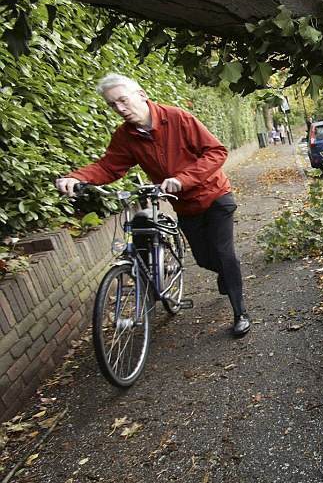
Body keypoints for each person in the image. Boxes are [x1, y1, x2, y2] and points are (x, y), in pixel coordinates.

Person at [55, 74, 251, 337]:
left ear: (142, 94)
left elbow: (216, 151)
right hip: (184, 206)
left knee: (225, 253)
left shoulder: (178, 118)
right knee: (205, 259)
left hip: (214, 196)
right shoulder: (126, 136)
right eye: (113, 105)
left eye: (123, 100)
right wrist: (77, 177)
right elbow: (109, 166)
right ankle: (226, 274)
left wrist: (183, 179)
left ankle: (240, 313)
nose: (120, 109)